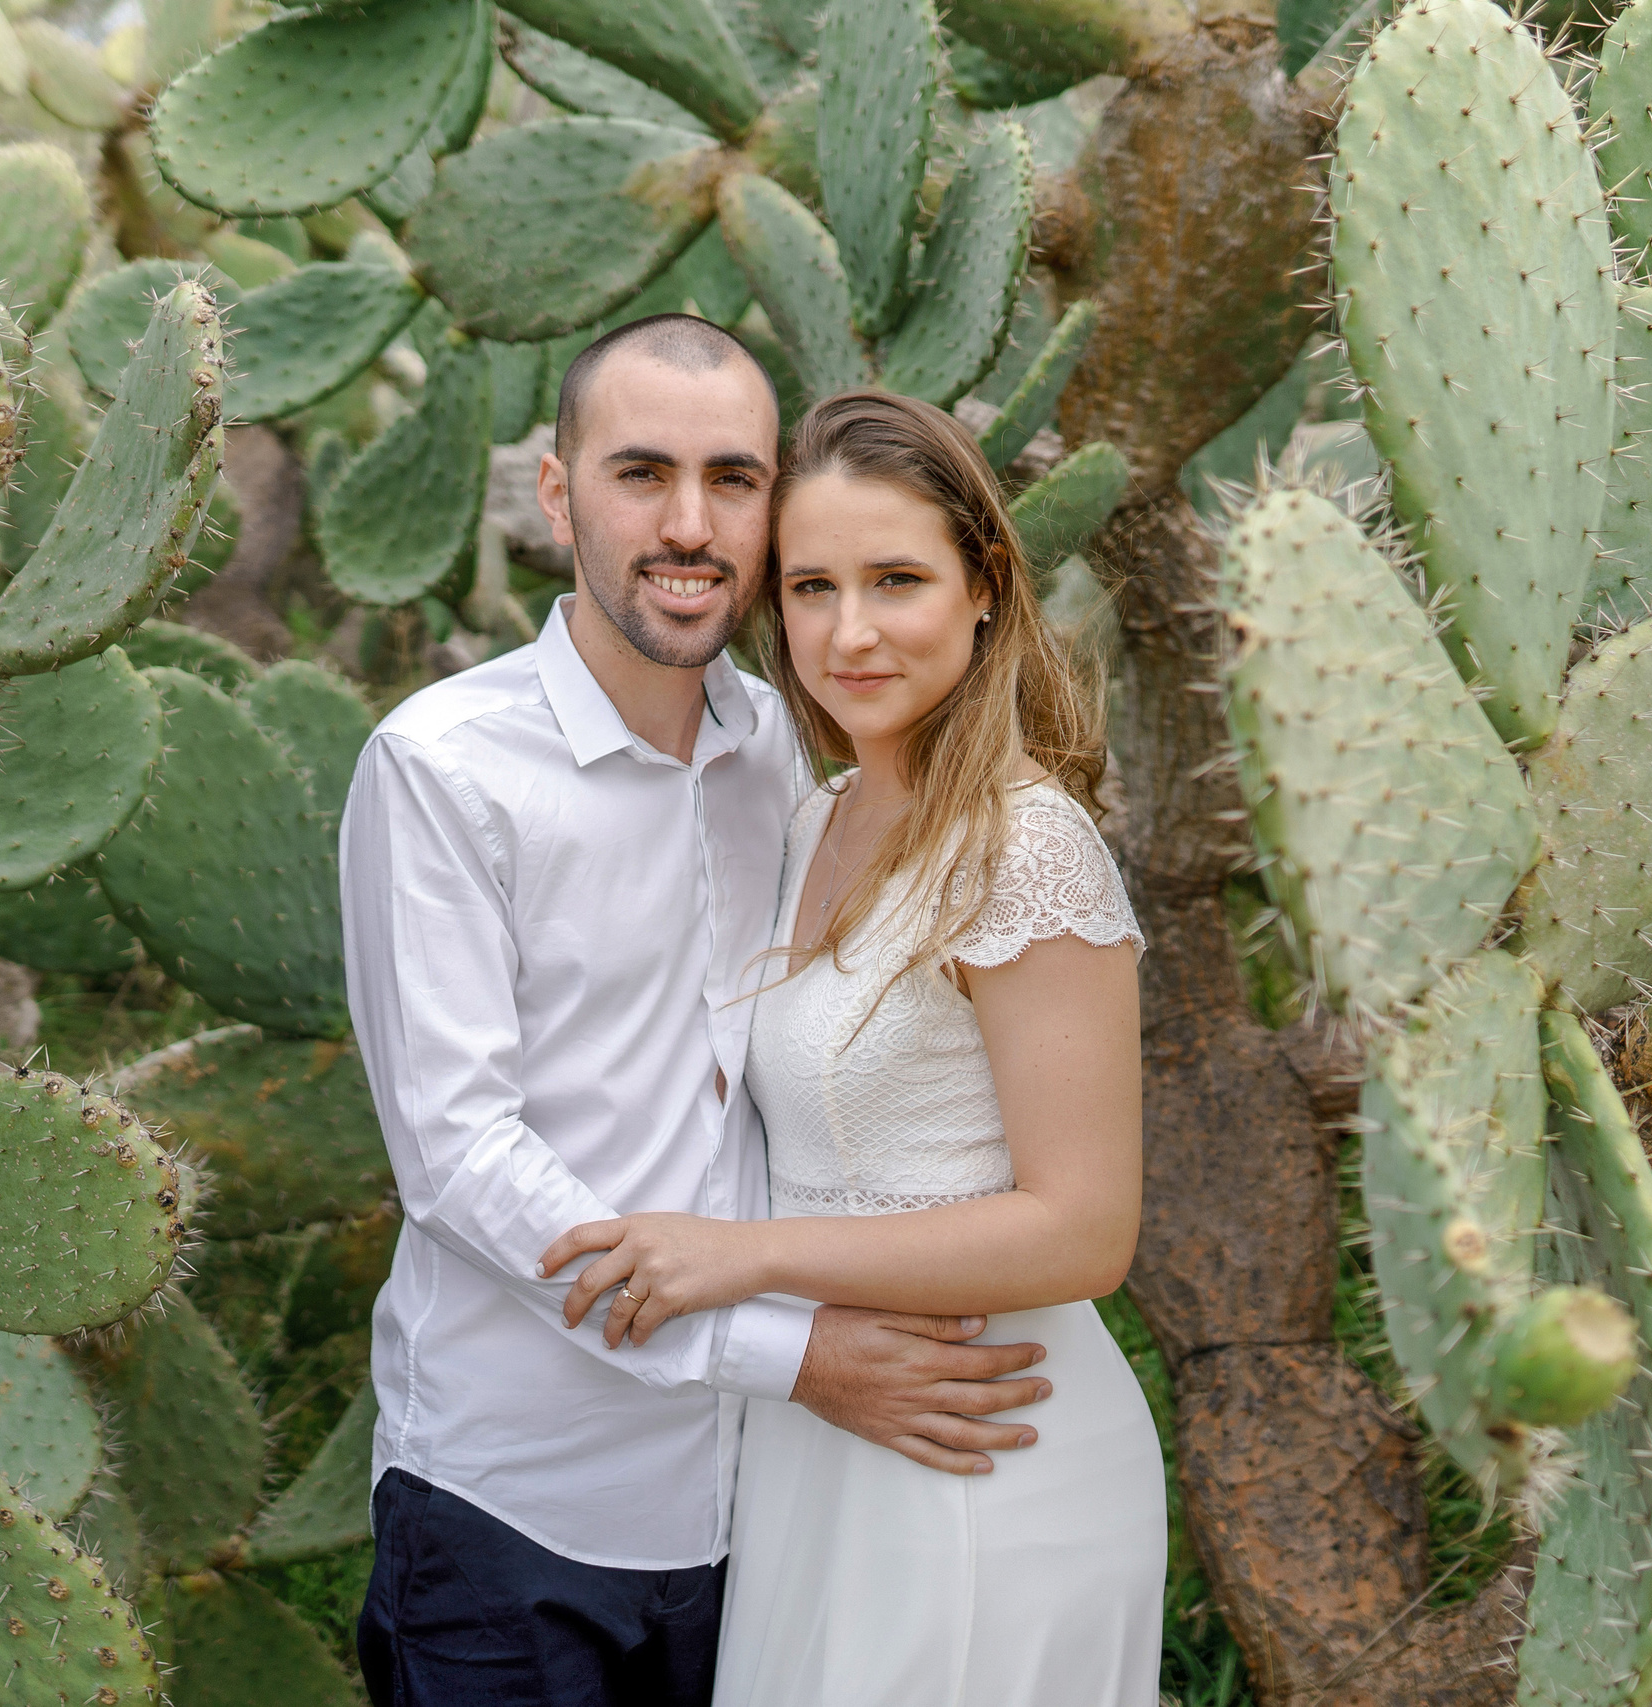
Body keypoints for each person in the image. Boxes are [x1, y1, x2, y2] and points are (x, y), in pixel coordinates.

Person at [338, 317, 1056, 1707]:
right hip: (518, 1513)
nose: (689, 523)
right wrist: (797, 1356)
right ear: (558, 494)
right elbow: (461, 1162)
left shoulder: (789, 754)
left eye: (732, 479)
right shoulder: (441, 768)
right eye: (639, 473)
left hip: (770, 1510)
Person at [539, 389, 1165, 1705]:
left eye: (897, 579)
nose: (851, 631)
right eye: (813, 588)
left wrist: (744, 1258)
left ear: (987, 584)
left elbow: (1083, 1228)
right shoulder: (816, 813)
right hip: (824, 1433)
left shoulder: (1022, 845)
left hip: (988, 1442)